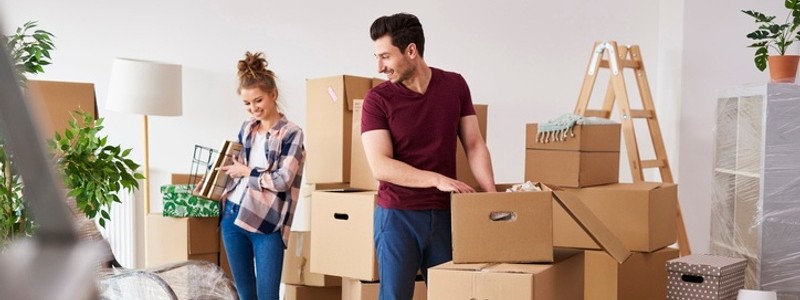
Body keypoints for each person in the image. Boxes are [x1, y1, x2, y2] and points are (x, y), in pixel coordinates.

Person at [360, 13, 496, 300]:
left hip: (446, 215)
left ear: (411, 50)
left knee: (452, 296)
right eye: (377, 57)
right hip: (397, 217)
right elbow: (380, 165)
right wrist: (436, 179)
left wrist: (492, 195)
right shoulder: (377, 100)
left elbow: (474, 144)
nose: (379, 67)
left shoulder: (454, 85)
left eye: (385, 56)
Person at [217, 51, 305, 300]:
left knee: (268, 297)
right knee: (245, 296)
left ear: (273, 94)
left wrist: (248, 172)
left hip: (267, 223)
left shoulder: (291, 133)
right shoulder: (247, 128)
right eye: (247, 104)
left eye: (258, 100)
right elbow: (234, 168)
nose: (253, 108)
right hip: (232, 217)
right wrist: (213, 182)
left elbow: (282, 180)